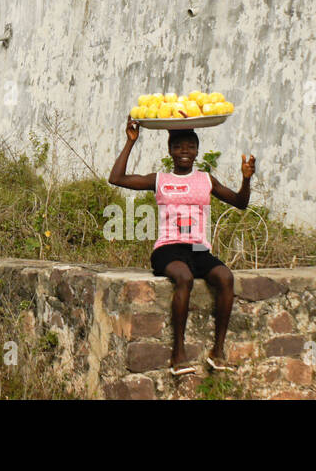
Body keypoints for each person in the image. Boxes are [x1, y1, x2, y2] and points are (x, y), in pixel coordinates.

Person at [109, 116, 256, 375]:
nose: (184, 151)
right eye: (178, 147)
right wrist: (131, 141)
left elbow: (240, 203)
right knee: (184, 278)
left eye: (189, 146)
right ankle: (178, 353)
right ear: (170, 151)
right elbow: (116, 178)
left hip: (198, 248)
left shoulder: (206, 180)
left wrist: (246, 180)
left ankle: (217, 352)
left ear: (197, 150)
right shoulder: (161, 179)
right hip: (168, 247)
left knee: (225, 276)